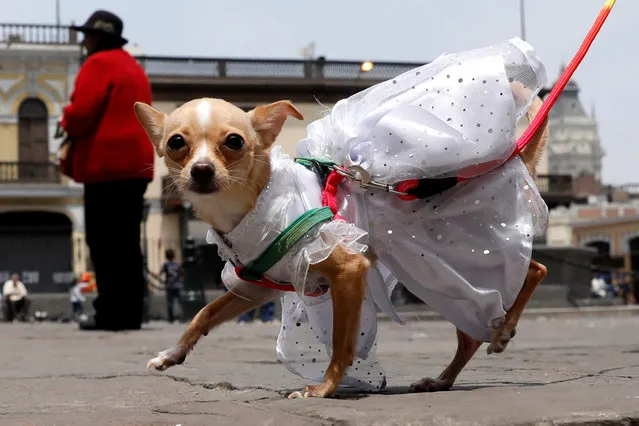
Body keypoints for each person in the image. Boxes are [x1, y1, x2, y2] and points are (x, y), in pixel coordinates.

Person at [61, 10, 154, 331]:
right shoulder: (133, 68)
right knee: (127, 242)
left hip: (106, 165)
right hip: (137, 166)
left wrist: (65, 119)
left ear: (97, 38)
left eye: (87, 36)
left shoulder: (97, 64)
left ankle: (110, 313)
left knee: (103, 241)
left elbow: (81, 113)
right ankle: (130, 313)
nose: (84, 42)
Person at [160, 249, 183, 323]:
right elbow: (182, 274)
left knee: (170, 302)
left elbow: (159, 274)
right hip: (178, 285)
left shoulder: (165, 265)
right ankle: (184, 315)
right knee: (181, 301)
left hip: (169, 285)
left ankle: (171, 318)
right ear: (174, 256)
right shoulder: (177, 264)